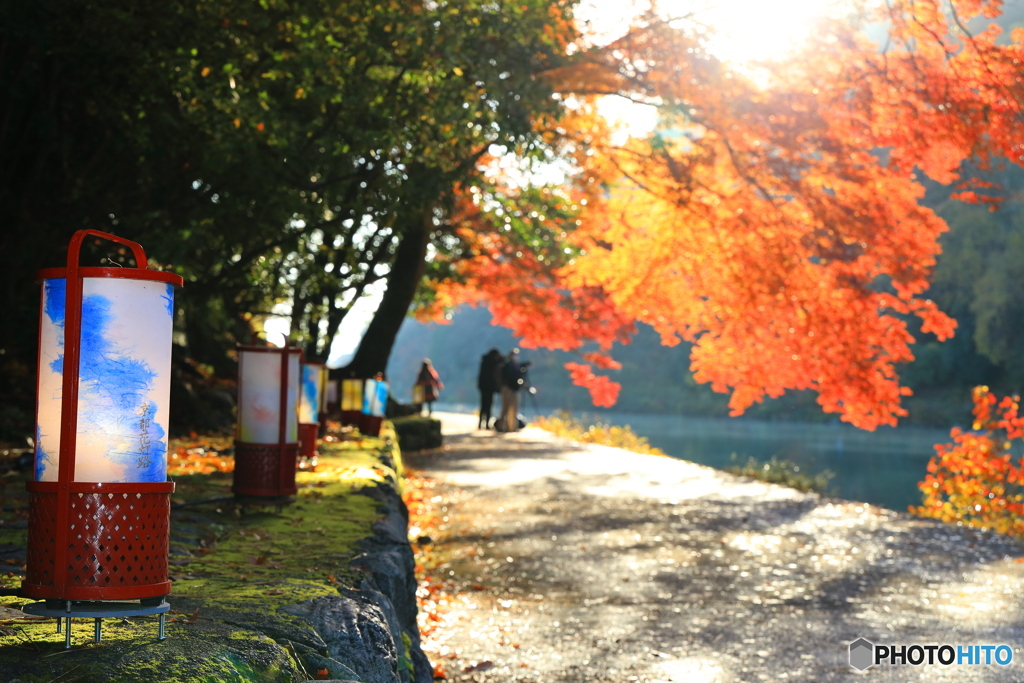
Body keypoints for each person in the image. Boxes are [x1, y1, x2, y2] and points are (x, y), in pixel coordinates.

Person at [499, 348, 529, 432]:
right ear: (510, 355)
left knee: (514, 409)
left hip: (515, 389)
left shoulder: (517, 366)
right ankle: (501, 426)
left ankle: (512, 427)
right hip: (508, 388)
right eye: (514, 355)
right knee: (505, 408)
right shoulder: (507, 365)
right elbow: (511, 377)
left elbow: (520, 377)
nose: (515, 357)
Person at [477, 348, 503, 429]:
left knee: (483, 406)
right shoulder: (493, 362)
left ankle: (480, 424)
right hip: (490, 388)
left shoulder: (484, 361)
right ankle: (487, 424)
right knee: (489, 406)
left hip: (483, 388)